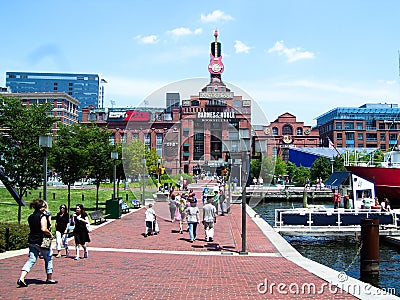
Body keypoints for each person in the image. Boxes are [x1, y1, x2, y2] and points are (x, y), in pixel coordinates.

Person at [17, 199, 57, 287]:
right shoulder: (42, 216)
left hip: (32, 240)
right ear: (41, 207)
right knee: (48, 258)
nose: (45, 208)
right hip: (41, 241)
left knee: (31, 259)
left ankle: (22, 277)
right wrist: (50, 234)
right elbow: (44, 229)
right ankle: (49, 278)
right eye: (44, 206)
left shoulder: (31, 217)